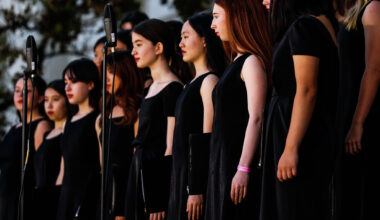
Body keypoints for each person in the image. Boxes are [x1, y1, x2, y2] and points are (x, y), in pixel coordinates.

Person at [259, 0, 339, 220]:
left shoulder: (305, 26)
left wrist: (291, 148)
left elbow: (307, 90)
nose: (264, 1)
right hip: (299, 130)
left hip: (298, 134)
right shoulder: (316, 23)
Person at [206, 0, 272, 219]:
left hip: (237, 163)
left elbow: (256, 117)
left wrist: (243, 168)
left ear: (237, 16)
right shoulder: (236, 61)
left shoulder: (251, 62)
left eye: (216, 16)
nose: (212, 25)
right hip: (222, 162)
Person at [167, 13, 228, 220]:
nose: (180, 43)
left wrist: (196, 189)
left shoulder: (209, 81)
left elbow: (207, 137)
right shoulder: (189, 83)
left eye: (185, 36)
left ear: (204, 40)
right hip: (181, 175)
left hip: (194, 181)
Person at [124, 19, 184, 220]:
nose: (134, 52)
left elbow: (169, 147)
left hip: (154, 177)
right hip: (139, 168)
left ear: (158, 47)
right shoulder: (150, 88)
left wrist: (158, 195)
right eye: (133, 46)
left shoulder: (173, 88)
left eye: (139, 45)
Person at [335, 0, 380, 219]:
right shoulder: (356, 9)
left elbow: (374, 69)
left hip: (363, 114)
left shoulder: (374, 8)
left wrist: (357, 122)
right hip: (349, 109)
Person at [95, 50, 144, 220]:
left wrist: (121, 210)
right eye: (104, 73)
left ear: (126, 72)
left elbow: (133, 161)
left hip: (126, 192)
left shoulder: (136, 110)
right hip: (105, 192)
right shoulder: (104, 113)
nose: (107, 78)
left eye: (111, 72)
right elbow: (103, 163)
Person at [0, 75, 51, 220]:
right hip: (6, 198)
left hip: (25, 199)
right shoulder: (14, 128)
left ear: (41, 98)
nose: (20, 95)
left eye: (27, 90)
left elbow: (42, 166)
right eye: (17, 90)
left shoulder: (41, 125)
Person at [57, 58, 101, 220]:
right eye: (65, 82)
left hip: (87, 197)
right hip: (66, 198)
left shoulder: (98, 119)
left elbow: (102, 167)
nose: (67, 87)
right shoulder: (68, 122)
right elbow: (63, 168)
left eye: (73, 82)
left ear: (90, 84)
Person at [34, 80, 70, 220]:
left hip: (57, 197)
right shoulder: (46, 134)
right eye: (46, 100)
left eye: (55, 100)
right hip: (40, 198)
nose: (49, 105)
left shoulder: (67, 132)